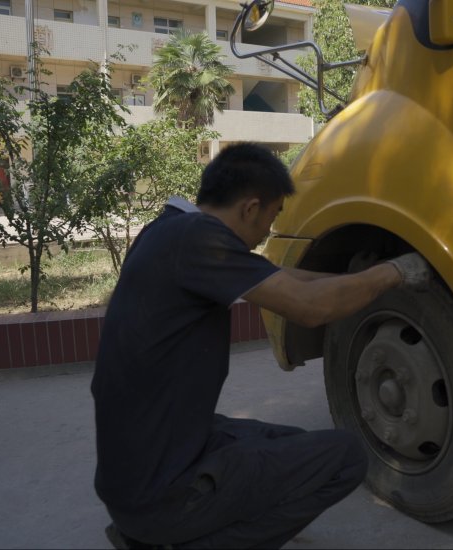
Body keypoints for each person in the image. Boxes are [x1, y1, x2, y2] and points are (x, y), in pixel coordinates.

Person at [90, 142, 429, 549]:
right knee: (344, 457)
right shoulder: (202, 240)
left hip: (133, 478)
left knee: (290, 443)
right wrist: (395, 272)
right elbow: (310, 307)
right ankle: (173, 540)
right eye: (272, 216)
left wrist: (355, 275)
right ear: (250, 208)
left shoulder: (168, 230)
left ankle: (144, 533)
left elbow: (278, 276)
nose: (269, 230)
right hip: (160, 496)